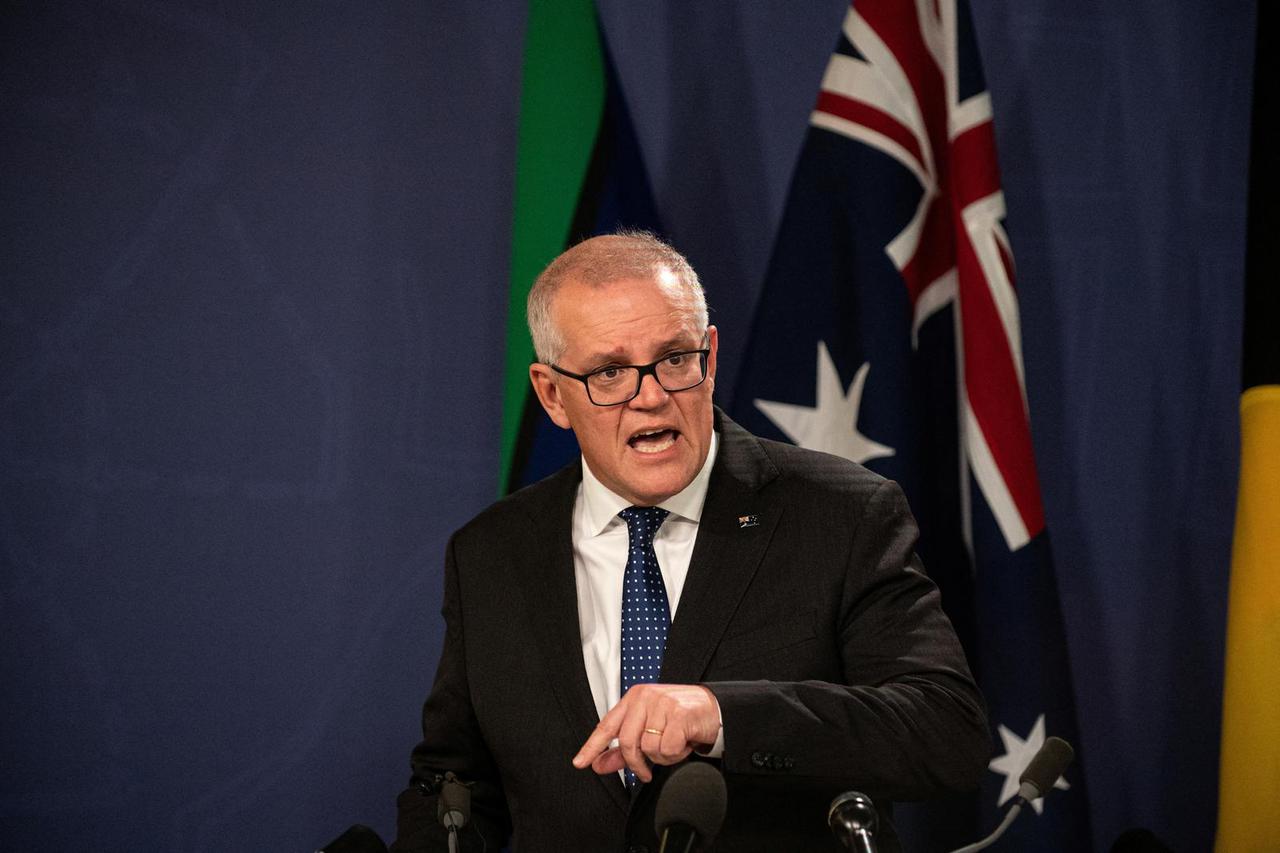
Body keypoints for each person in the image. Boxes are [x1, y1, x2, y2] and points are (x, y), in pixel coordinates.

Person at [390, 232, 988, 852]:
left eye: (675, 358)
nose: (651, 397)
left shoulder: (841, 514)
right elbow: (455, 785)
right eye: (610, 372)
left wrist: (722, 715)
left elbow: (945, 732)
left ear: (711, 354)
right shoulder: (491, 553)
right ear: (551, 394)